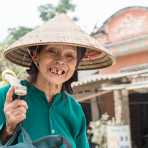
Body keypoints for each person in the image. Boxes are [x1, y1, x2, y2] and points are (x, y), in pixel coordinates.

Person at [0, 14, 114, 147]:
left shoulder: (75, 110)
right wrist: (8, 129)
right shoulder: (7, 96)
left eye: (70, 55)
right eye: (52, 51)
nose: (61, 61)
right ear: (35, 55)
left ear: (77, 64)